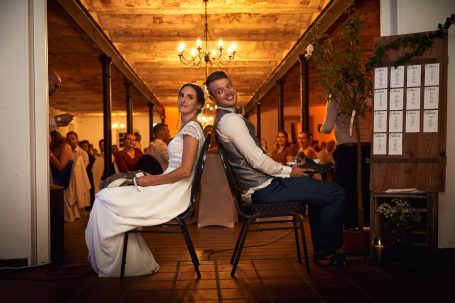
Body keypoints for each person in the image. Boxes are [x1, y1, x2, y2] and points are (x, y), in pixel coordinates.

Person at [205, 71, 345, 265]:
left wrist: (287, 167)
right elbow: (257, 161)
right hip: (264, 190)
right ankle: (328, 254)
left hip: (263, 186)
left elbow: (257, 160)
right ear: (213, 98)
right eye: (220, 91)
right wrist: (290, 171)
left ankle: (324, 251)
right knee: (335, 193)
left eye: (228, 85)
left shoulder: (225, 119)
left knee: (316, 189)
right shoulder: (231, 121)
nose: (228, 92)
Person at [85, 83, 206, 277]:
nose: (183, 99)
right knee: (107, 194)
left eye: (190, 97)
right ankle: (128, 262)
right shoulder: (188, 128)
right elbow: (175, 167)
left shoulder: (192, 129)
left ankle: (116, 264)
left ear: (199, 105)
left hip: (174, 192)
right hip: (170, 185)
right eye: (181, 95)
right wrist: (153, 177)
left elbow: (184, 171)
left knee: (104, 197)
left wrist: (148, 182)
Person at [319, 96, 372, 229]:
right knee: (366, 187)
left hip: (346, 149)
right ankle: (368, 225)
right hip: (367, 148)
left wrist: (321, 127)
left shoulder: (335, 98)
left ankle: (350, 227)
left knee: (347, 190)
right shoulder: (367, 96)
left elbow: (328, 128)